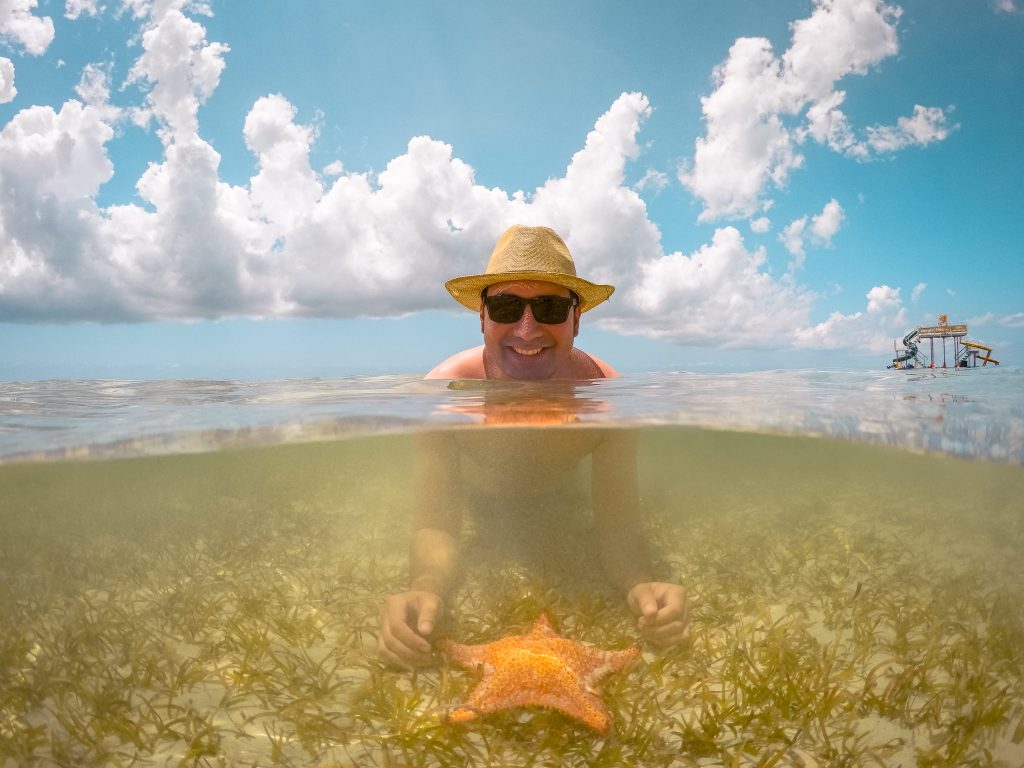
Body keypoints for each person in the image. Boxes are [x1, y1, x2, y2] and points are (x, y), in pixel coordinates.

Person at [378, 225, 689, 668]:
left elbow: (618, 526)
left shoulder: (610, 400)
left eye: (549, 306)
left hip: (563, 499)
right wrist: (424, 589)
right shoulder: (442, 395)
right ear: (482, 317)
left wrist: (640, 584)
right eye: (506, 306)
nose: (527, 329)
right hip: (483, 502)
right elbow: (439, 524)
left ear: (576, 320)